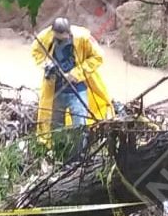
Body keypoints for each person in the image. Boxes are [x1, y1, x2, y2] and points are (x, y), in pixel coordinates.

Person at [32, 17, 114, 152]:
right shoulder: (45, 37)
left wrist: (76, 73)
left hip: (78, 90)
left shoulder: (83, 38)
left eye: (64, 39)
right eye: (58, 39)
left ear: (69, 34)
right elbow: (36, 52)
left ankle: (78, 156)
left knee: (79, 126)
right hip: (56, 91)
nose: (61, 42)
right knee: (56, 127)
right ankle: (59, 153)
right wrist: (47, 64)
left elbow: (98, 56)